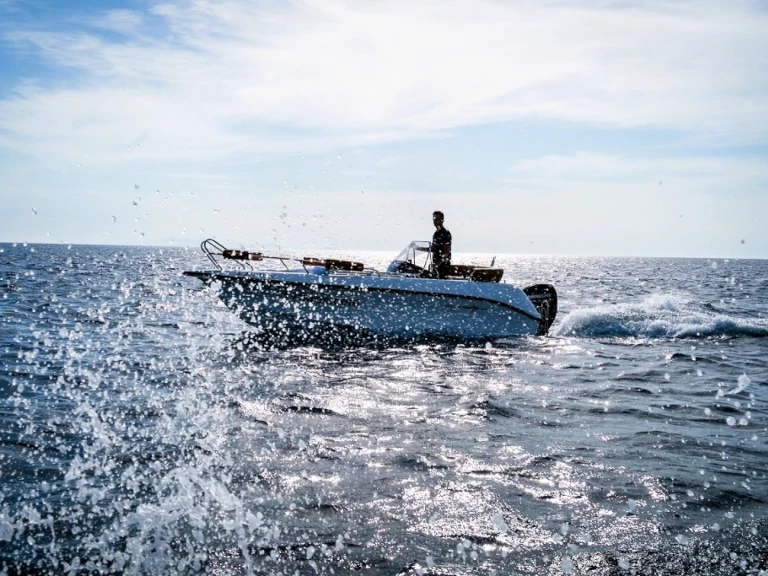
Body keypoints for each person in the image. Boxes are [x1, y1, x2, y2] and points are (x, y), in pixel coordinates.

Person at [431, 210, 452, 278]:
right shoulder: (436, 234)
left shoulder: (445, 233)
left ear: (442, 220)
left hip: (443, 266)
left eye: (438, 219)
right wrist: (419, 248)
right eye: (434, 219)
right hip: (435, 265)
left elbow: (446, 252)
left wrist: (437, 264)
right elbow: (434, 249)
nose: (436, 221)